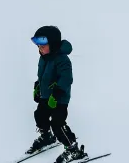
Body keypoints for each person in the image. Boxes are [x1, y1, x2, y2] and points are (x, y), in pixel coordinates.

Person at [27, 26, 88, 163]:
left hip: (59, 99)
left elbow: (67, 78)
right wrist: (38, 87)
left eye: (43, 46)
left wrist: (57, 93)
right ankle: (47, 137)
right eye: (38, 46)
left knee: (57, 124)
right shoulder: (43, 58)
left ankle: (73, 149)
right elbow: (42, 76)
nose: (40, 49)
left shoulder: (62, 59)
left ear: (53, 45)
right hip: (46, 96)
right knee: (40, 115)